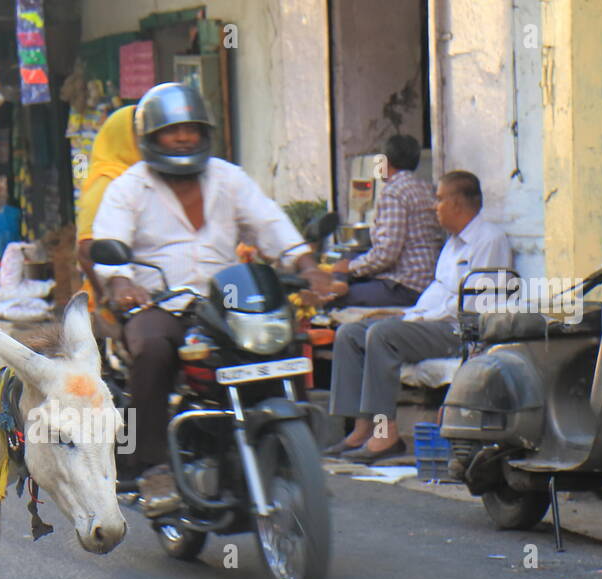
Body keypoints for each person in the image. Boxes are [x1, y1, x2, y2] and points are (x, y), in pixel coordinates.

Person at [92, 82, 332, 516]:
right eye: (172, 130)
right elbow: (110, 243)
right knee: (153, 348)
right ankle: (153, 467)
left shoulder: (228, 177)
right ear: (150, 136)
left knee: (285, 343)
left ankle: (297, 452)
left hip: (229, 302)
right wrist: (121, 284)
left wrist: (306, 266)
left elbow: (269, 223)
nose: (183, 137)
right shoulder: (129, 188)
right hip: (161, 304)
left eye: (191, 128)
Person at [327, 170, 513, 462]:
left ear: (457, 203)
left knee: (383, 335)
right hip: (431, 322)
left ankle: (384, 434)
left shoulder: (489, 240)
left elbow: (477, 306)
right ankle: (362, 429)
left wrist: (418, 319)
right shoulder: (452, 244)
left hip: (460, 331)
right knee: (351, 334)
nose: (433, 206)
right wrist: (407, 314)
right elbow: (438, 292)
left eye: (438, 199)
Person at [329, 134, 443, 308]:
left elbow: (386, 254)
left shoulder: (393, 192)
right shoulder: (427, 187)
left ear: (384, 161)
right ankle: (340, 283)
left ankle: (338, 288)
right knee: (349, 257)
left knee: (335, 296)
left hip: (407, 285)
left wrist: (351, 268)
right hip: (427, 277)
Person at [76, 105, 140, 339]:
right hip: (118, 299)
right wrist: (108, 297)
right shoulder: (107, 181)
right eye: (139, 136)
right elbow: (85, 250)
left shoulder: (146, 178)